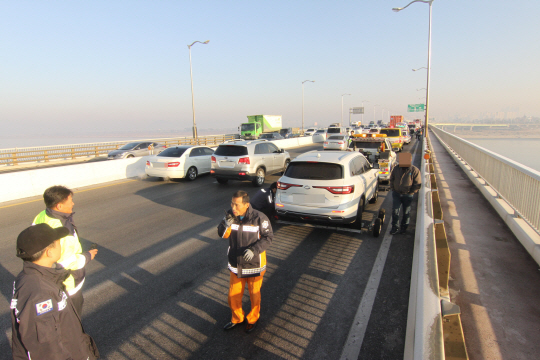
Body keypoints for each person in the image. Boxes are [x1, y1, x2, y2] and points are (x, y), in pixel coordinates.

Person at [11, 223, 99, 360]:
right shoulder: (39, 292)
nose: (61, 246)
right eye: (58, 243)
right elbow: (46, 349)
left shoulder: (36, 277)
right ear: (49, 252)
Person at [33, 185, 98, 315]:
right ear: (59, 206)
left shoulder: (41, 215)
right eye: (70, 201)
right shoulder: (63, 230)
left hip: (45, 276)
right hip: (67, 283)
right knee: (71, 319)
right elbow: (68, 262)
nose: (73, 203)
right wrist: (88, 256)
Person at [217, 190, 273, 334]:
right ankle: (237, 318)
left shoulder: (260, 218)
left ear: (246, 205)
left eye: (236, 205)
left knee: (255, 294)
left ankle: (253, 319)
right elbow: (223, 235)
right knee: (233, 295)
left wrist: (254, 250)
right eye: (232, 203)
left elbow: (268, 238)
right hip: (236, 264)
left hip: (254, 264)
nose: (233, 208)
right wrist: (225, 224)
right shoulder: (231, 215)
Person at [389, 152, 422, 235]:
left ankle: (404, 227)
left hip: (407, 195)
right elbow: (392, 178)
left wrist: (411, 192)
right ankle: (394, 227)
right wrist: (393, 188)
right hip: (396, 194)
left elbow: (417, 184)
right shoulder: (396, 169)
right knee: (395, 211)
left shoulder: (414, 170)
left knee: (406, 212)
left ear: (410, 160)